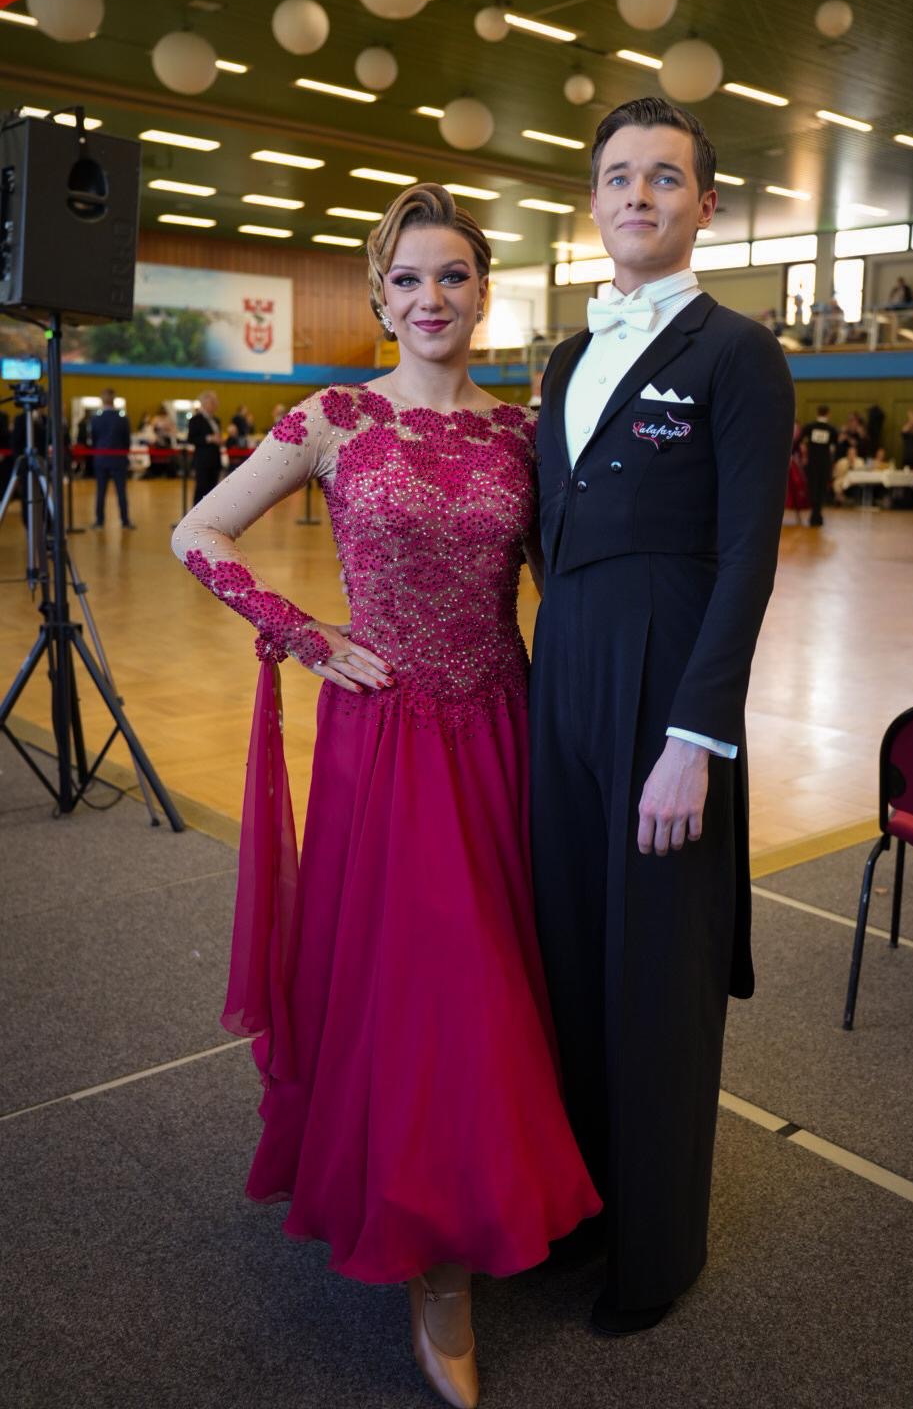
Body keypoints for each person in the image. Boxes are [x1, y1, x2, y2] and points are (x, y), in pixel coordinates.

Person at [171, 183, 600, 1409]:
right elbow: (199, 534)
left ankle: (486, 1194)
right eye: (408, 278)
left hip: (503, 728)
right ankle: (435, 1260)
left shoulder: (525, 433)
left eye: (453, 275)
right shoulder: (333, 417)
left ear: (485, 290)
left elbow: (573, 584)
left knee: (499, 975)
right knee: (421, 982)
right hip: (386, 733)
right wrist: (305, 635)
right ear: (379, 294)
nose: (431, 297)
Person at [530, 97, 794, 1336]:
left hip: (667, 699)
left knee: (658, 978)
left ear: (706, 204)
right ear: (592, 202)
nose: (639, 194)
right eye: (619, 176)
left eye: (666, 177)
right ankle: (583, 1205)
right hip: (564, 680)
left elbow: (749, 558)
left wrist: (696, 737)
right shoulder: (563, 361)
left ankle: (658, 1250)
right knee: (572, 958)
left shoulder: (738, 354)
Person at [89, 388, 134, 530]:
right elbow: (127, 441)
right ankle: (125, 521)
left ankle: (99, 521)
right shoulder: (122, 419)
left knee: (101, 491)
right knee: (121, 491)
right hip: (118, 459)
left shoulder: (96, 419)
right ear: (114, 400)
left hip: (101, 459)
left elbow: (94, 439)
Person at [803, 404, 838, 526]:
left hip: (812, 463)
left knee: (813, 487)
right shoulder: (831, 430)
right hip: (824, 464)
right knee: (821, 488)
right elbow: (835, 447)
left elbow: (799, 441)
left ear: (817, 413)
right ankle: (817, 514)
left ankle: (815, 514)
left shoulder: (809, 427)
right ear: (828, 414)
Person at [186, 390, 223, 504]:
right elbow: (191, 438)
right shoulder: (196, 420)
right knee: (201, 490)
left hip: (215, 460)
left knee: (213, 492)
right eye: (213, 402)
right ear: (204, 403)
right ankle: (196, 513)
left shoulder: (216, 420)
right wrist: (209, 439)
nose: (216, 404)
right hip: (202, 461)